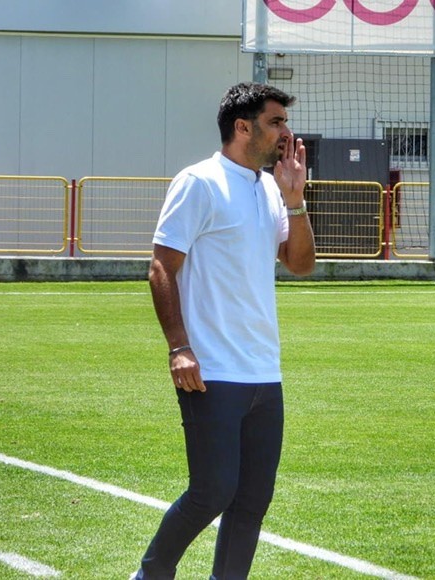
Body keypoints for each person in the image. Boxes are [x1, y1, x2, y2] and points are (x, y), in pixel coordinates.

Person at [132, 82, 315, 580]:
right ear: (242, 127)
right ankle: (150, 575)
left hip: (264, 371)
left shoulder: (270, 188)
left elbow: (301, 264)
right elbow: (161, 267)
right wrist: (179, 347)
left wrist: (296, 201)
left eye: (284, 122)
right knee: (212, 491)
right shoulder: (199, 182)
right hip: (210, 369)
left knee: (253, 500)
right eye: (275, 122)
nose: (285, 132)